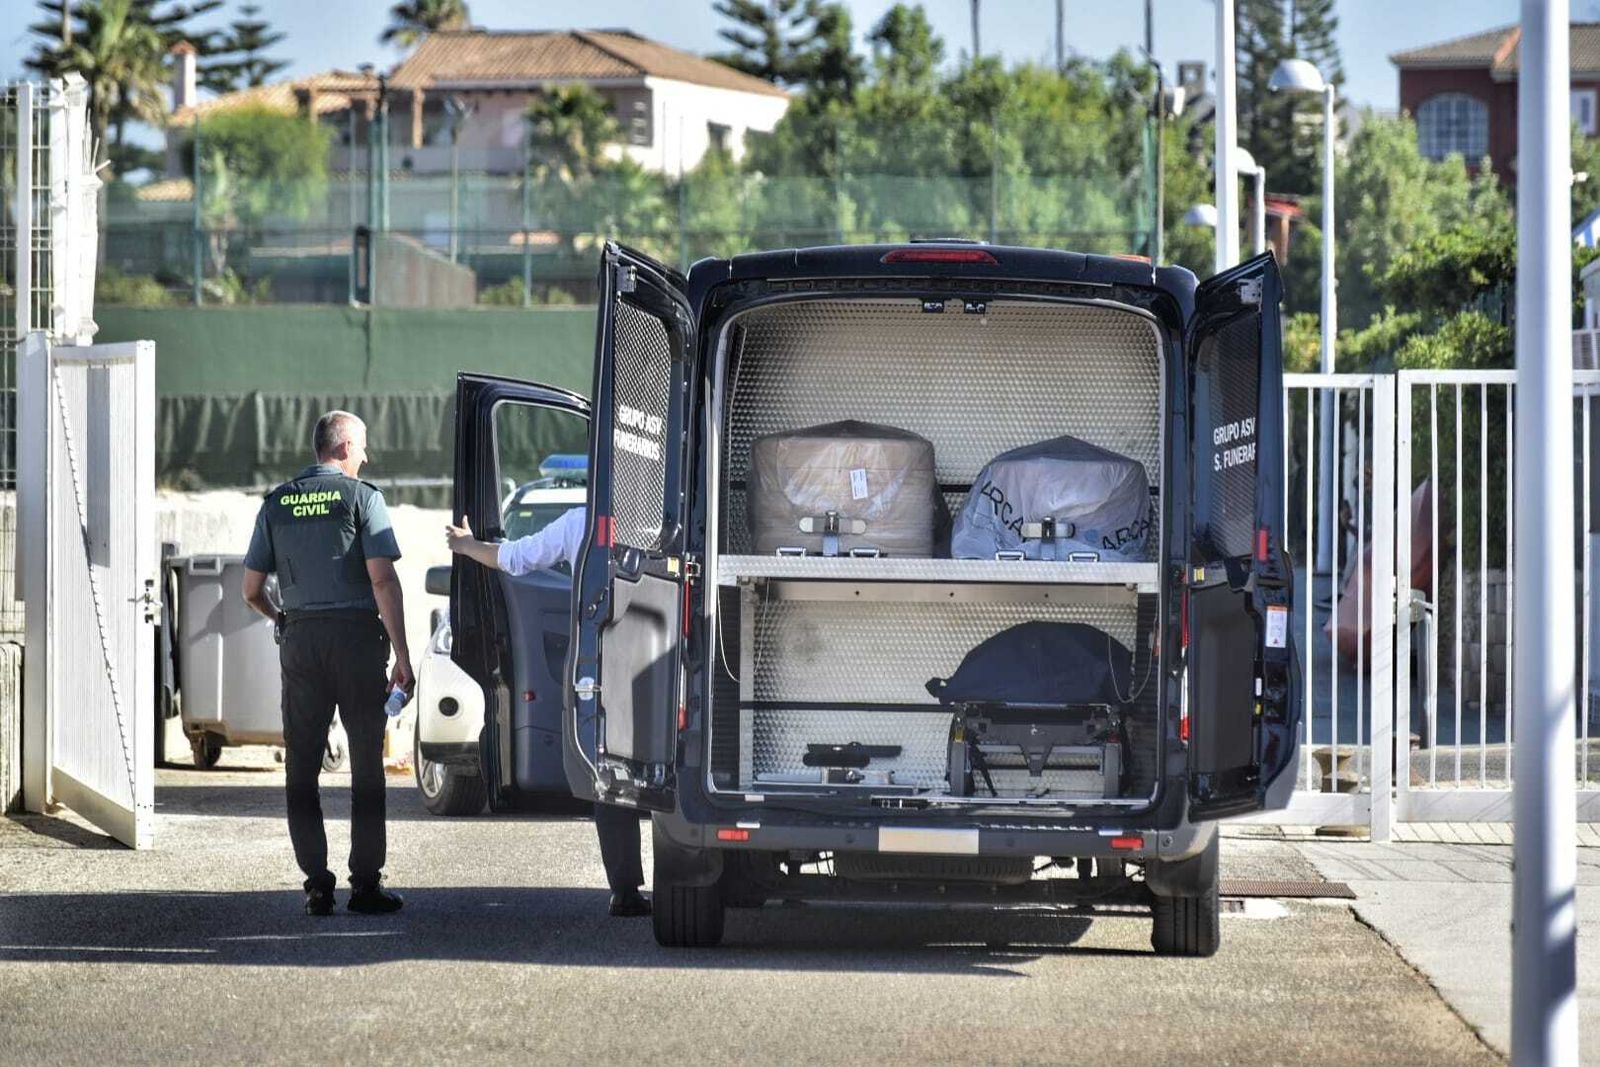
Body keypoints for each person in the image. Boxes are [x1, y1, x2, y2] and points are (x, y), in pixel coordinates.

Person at [242, 411, 414, 917]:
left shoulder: (277, 502)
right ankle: (365, 885)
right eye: (362, 447)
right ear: (343, 448)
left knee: (300, 768)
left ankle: (317, 885)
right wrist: (402, 656)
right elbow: (382, 580)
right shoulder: (364, 498)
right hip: (358, 642)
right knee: (366, 765)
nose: (367, 457)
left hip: (301, 640)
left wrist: (281, 618)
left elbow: (251, 590)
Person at [445, 508, 651, 918]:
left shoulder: (582, 522)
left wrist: (468, 546)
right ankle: (688, 876)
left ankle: (625, 889)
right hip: (659, 652)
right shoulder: (662, 518)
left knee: (609, 766)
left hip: (602, 654)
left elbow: (519, 558)